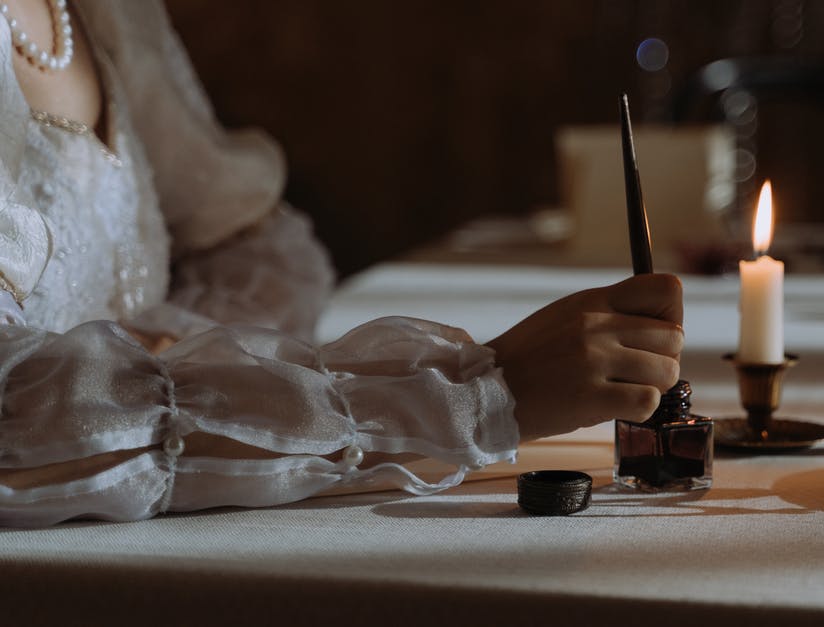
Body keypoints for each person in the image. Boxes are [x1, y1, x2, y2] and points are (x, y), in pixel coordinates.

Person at [0, 0, 683, 526]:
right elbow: (16, 416)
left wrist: (191, 366)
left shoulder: (106, 13)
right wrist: (470, 395)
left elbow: (260, 242)